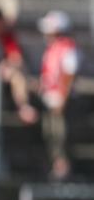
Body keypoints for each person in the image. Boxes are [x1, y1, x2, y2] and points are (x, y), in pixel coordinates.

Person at [37, 10, 79, 181]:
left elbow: (69, 73)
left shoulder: (67, 47)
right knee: (50, 134)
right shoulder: (52, 48)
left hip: (60, 100)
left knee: (60, 134)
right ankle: (54, 165)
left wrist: (62, 98)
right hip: (49, 99)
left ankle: (63, 168)